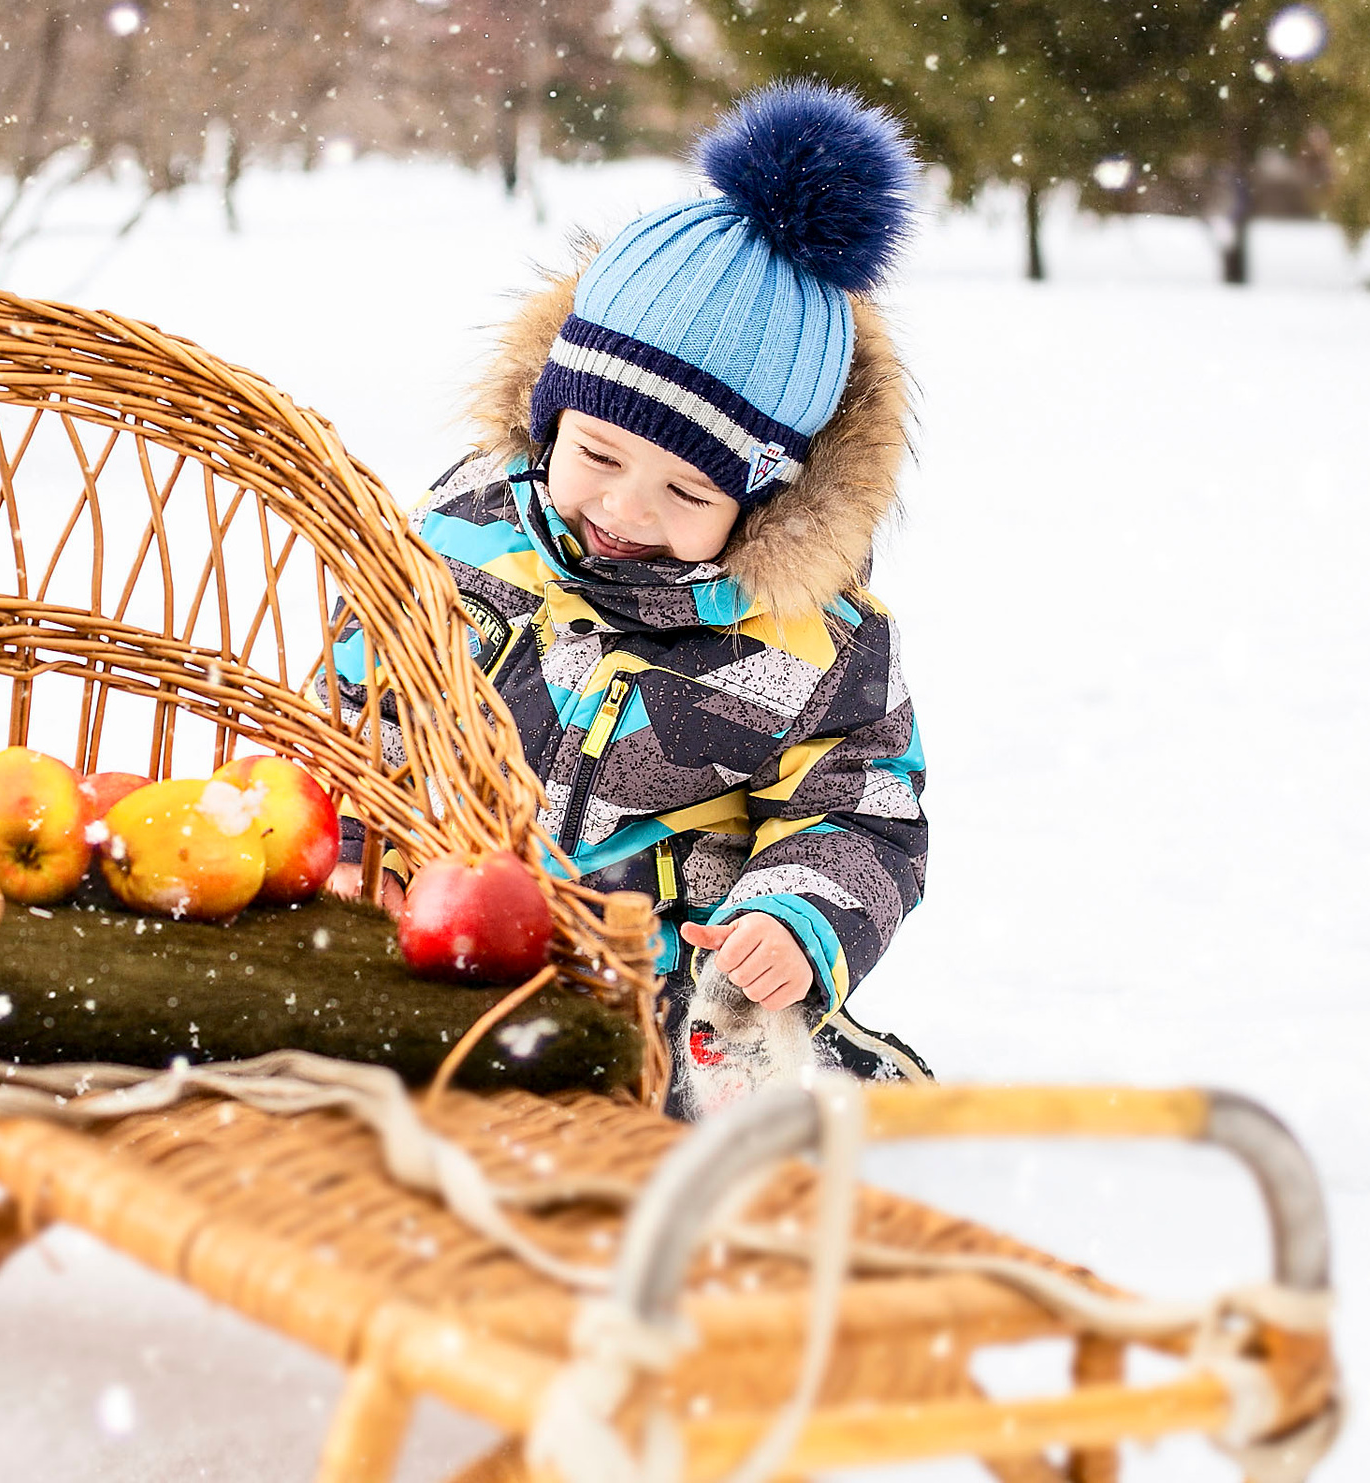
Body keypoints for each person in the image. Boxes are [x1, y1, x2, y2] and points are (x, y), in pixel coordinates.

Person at [330, 80, 932, 1117]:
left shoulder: (813, 646)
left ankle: (835, 1070)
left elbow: (860, 811)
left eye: (688, 490)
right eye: (597, 452)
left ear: (762, 496)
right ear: (550, 414)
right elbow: (367, 701)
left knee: (702, 1135)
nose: (624, 506)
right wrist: (355, 846)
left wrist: (793, 922)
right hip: (441, 929)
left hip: (663, 996)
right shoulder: (461, 529)